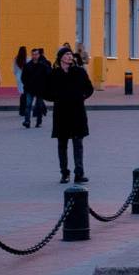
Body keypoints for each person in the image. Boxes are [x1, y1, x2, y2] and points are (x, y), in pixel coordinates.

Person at [48, 47, 94, 184]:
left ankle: (79, 173)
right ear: (60, 57)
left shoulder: (79, 72)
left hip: (77, 112)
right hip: (61, 113)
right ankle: (64, 173)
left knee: (78, 143)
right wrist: (57, 98)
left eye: (70, 54)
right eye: (66, 54)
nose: (69, 56)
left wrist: (81, 97)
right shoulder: (55, 74)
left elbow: (89, 88)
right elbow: (48, 91)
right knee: (62, 144)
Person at [22, 47, 52, 128]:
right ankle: (27, 121)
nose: (34, 56)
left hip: (40, 89)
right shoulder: (27, 65)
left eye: (36, 54)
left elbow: (48, 75)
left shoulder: (43, 65)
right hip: (29, 89)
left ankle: (39, 121)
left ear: (39, 55)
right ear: (31, 55)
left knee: (39, 106)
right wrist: (26, 85)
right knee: (28, 105)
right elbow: (23, 77)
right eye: (33, 54)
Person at [12, 46, 30, 120]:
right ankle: (24, 110)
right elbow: (29, 69)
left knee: (22, 94)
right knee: (26, 95)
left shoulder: (16, 59)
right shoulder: (28, 59)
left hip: (19, 77)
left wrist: (17, 75)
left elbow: (14, 70)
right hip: (26, 78)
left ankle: (21, 111)